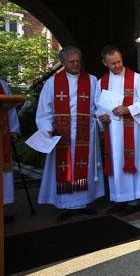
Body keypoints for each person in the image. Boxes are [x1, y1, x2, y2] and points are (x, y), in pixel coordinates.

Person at [36, 45, 105, 221]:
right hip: (62, 133)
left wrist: (102, 117)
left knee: (85, 166)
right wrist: (47, 128)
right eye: (71, 61)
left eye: (78, 61)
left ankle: (84, 203)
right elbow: (44, 110)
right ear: (62, 62)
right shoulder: (52, 83)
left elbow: (99, 105)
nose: (76, 64)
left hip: (85, 132)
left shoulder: (91, 80)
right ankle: (65, 206)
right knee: (64, 167)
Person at [95, 45, 140, 215]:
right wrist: (101, 116)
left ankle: (134, 201)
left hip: (131, 129)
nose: (117, 66)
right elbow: (97, 107)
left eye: (119, 61)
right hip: (112, 129)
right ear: (105, 63)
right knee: (116, 163)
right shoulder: (101, 82)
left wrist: (128, 109)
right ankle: (118, 200)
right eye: (113, 63)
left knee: (131, 162)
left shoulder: (135, 78)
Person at [0, 78, 20, 223]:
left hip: (3, 134)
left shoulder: (3, 84)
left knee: (4, 173)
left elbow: (11, 108)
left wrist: (13, 129)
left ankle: (2, 210)